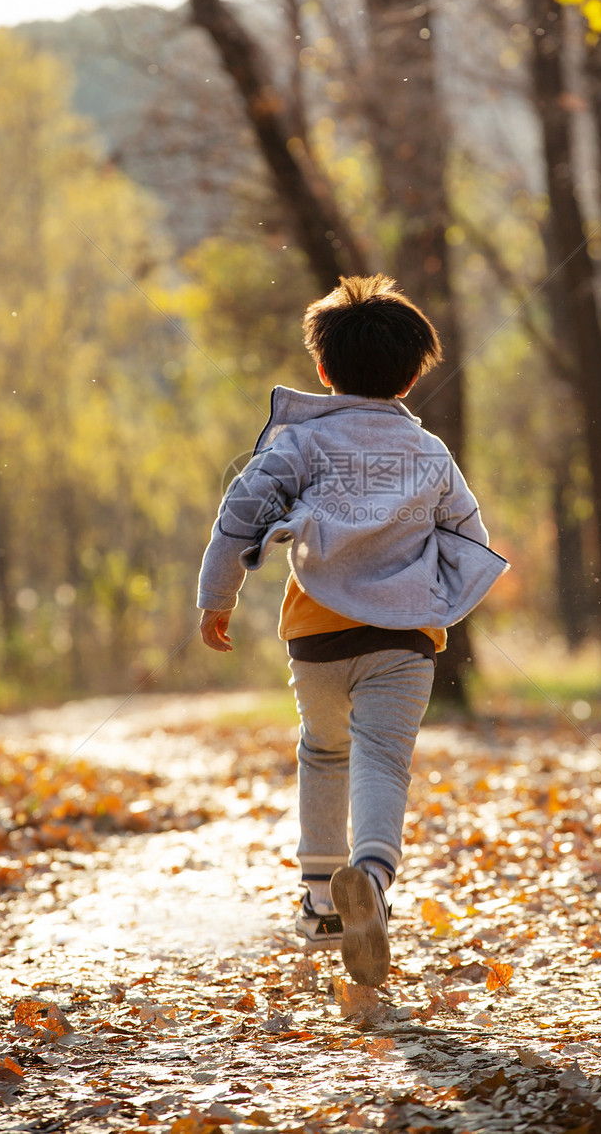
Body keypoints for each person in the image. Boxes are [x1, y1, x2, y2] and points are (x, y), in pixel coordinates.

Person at [197, 275, 507, 987]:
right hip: (403, 640)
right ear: (412, 374)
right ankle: (370, 873)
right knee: (382, 758)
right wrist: (437, 595)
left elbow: (239, 514)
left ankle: (319, 902)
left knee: (324, 751)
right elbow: (470, 532)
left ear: (324, 369)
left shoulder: (301, 444)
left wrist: (219, 596)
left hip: (317, 635)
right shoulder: (429, 454)